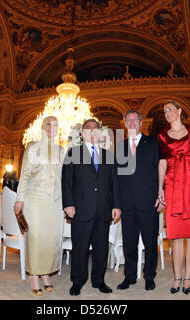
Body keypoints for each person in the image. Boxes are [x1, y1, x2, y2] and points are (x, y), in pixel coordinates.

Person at [156, 101, 190, 295]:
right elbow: (162, 165)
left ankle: (187, 277)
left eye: (170, 109)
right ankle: (177, 277)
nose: (167, 113)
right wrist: (160, 188)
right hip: (172, 186)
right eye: (165, 111)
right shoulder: (162, 136)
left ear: (179, 111)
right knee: (176, 234)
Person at [62, 118, 121, 296]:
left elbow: (115, 184)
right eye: (88, 128)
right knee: (79, 248)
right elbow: (66, 182)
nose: (92, 130)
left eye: (96, 128)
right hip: (80, 209)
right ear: (83, 133)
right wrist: (68, 204)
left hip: (103, 209)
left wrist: (117, 205)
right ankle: (77, 281)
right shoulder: (73, 152)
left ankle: (99, 280)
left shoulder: (109, 156)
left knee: (101, 248)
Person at [14, 116, 64, 297]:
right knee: (35, 238)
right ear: (43, 127)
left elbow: (63, 178)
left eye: (55, 125)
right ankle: (34, 275)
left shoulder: (61, 150)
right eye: (48, 124)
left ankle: (45, 274)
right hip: (35, 200)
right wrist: (19, 199)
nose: (52, 127)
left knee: (51, 239)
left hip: (55, 202)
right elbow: (25, 174)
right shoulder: (33, 147)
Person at [115, 109, 160, 291]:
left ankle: (149, 276)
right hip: (127, 204)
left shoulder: (153, 143)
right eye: (128, 121)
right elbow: (116, 178)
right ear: (125, 125)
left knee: (150, 243)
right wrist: (117, 203)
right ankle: (130, 277)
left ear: (141, 123)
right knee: (129, 244)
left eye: (135, 120)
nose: (132, 123)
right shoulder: (120, 147)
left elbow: (161, 170)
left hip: (148, 201)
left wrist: (161, 193)